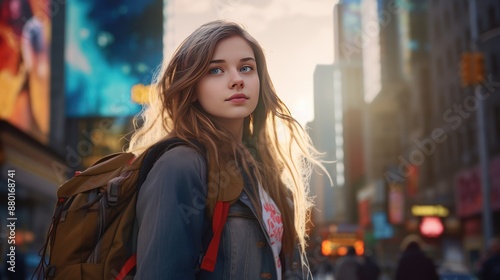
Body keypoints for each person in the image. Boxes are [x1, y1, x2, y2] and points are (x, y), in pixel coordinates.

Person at [127, 20, 325, 279]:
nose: (237, 80)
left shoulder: (265, 174)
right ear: (192, 87)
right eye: (216, 71)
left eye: (246, 68)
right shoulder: (180, 165)